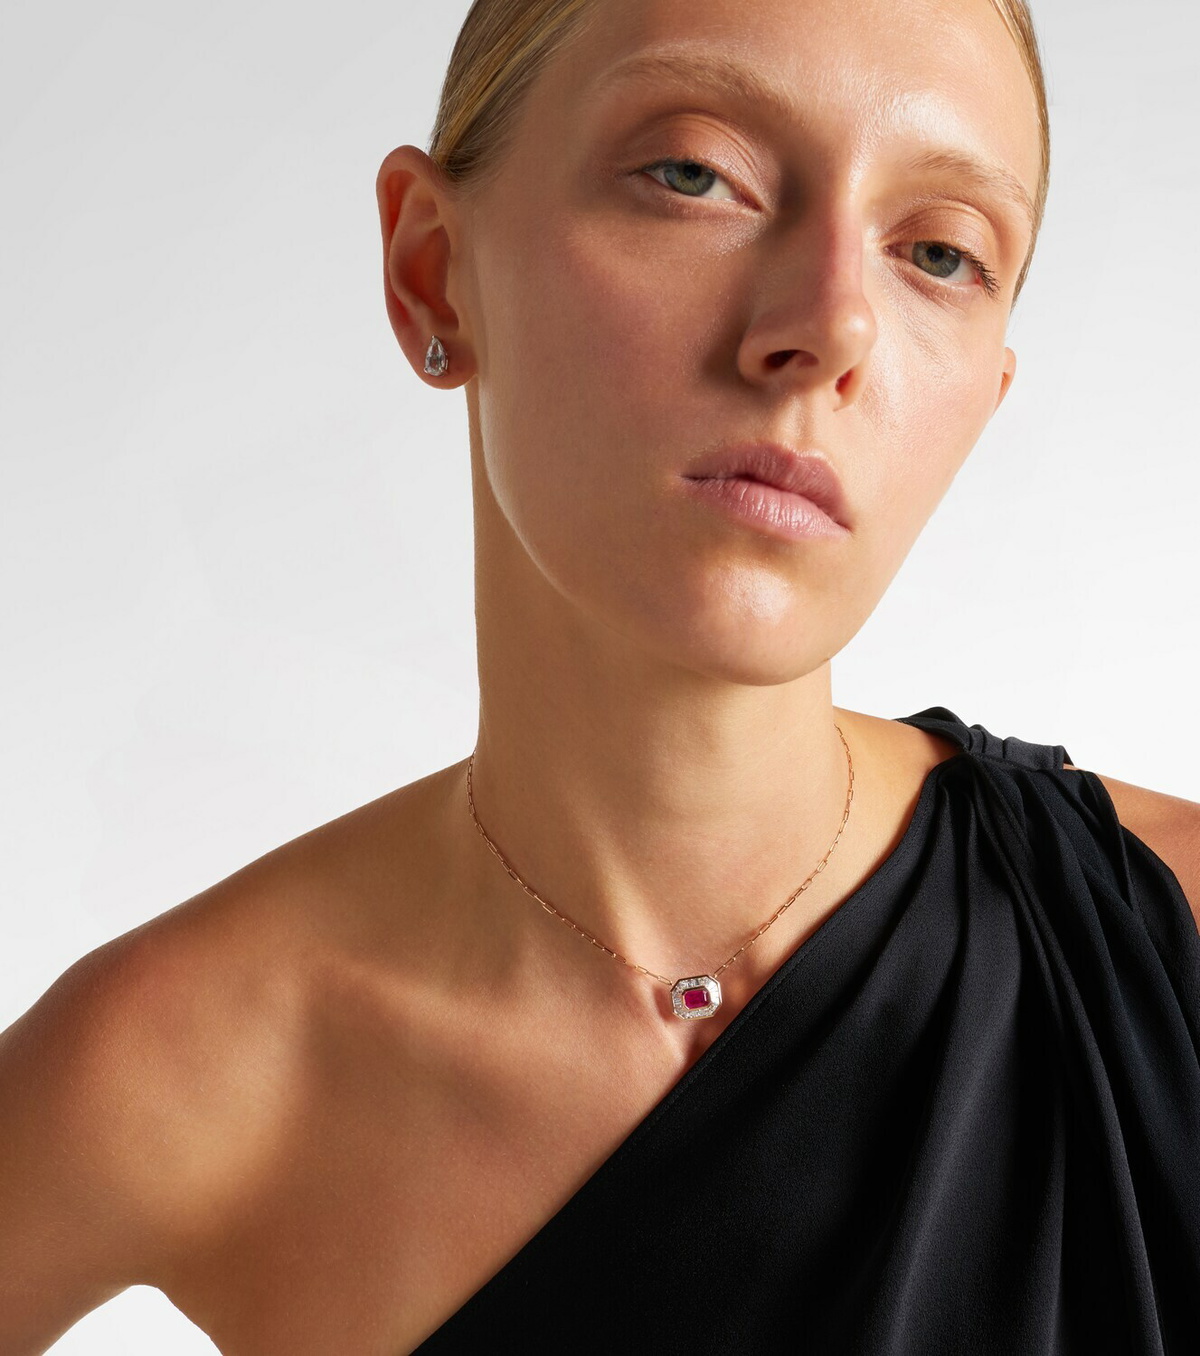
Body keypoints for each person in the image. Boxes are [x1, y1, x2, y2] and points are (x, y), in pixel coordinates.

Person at [2, 0, 1198, 1351]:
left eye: (939, 253)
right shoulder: (185, 1067)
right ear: (433, 270)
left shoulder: (1173, 948)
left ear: (987, 395)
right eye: (694, 174)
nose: (830, 327)